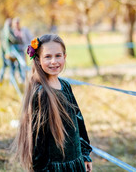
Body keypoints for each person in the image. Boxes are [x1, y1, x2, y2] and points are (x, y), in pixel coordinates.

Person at [11, 34, 93, 172]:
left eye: (58, 56)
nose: (54, 61)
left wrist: (85, 155)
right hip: (55, 167)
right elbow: (38, 139)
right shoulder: (41, 93)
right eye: (48, 57)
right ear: (38, 59)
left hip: (75, 162)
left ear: (65, 57)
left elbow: (78, 121)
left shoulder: (65, 85)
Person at [0, 18, 22, 83]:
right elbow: (12, 39)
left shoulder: (3, 30)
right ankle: (11, 82)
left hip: (3, 51)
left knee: (5, 66)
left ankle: (1, 80)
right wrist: (19, 41)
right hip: (8, 52)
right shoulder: (8, 30)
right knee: (11, 66)